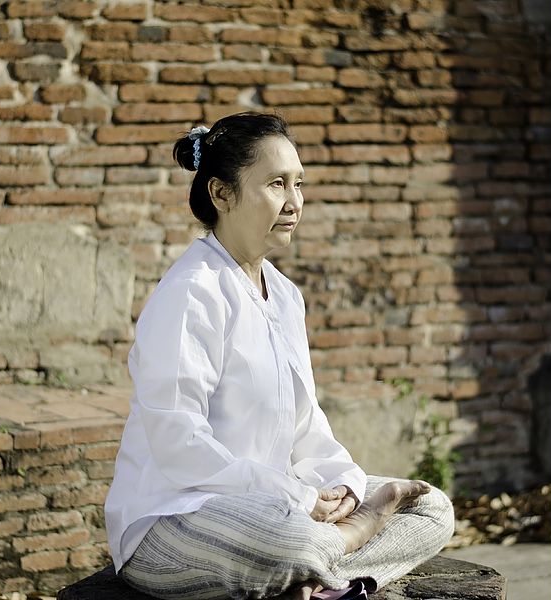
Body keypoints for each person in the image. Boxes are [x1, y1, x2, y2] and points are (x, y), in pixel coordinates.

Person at [104, 111, 454, 600]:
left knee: (432, 508)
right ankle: (343, 548)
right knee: (288, 539)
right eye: (275, 184)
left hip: (277, 506)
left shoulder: (285, 296)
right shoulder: (191, 293)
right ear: (221, 194)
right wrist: (308, 502)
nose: (294, 203)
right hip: (174, 519)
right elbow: (178, 444)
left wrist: (343, 488)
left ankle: (309, 582)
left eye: (299, 184)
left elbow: (306, 426)